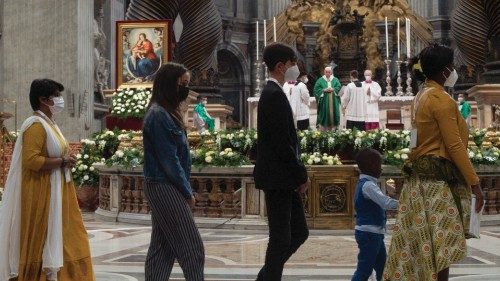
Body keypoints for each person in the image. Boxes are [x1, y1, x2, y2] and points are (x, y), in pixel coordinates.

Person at [383, 44, 485, 281]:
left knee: (424, 247)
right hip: (436, 185)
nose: (454, 70)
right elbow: (455, 145)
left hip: (419, 181)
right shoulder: (441, 99)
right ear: (445, 70)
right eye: (452, 66)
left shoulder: (421, 96)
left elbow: (414, 140)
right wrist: (475, 183)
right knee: (442, 248)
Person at [0, 79, 95, 281]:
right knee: (45, 240)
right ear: (43, 100)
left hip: (58, 190)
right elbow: (31, 160)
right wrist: (62, 161)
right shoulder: (35, 125)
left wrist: (66, 160)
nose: (59, 100)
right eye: (56, 96)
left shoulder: (49, 123)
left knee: (71, 238)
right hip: (42, 192)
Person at [142, 62, 204, 280]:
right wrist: (187, 193)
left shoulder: (167, 112)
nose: (186, 89)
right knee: (192, 248)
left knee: (162, 249)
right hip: (163, 185)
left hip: (164, 184)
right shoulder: (159, 115)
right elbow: (169, 160)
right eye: (183, 84)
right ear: (170, 85)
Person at [253, 42, 309, 280]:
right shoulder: (273, 94)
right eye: (292, 64)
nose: (295, 68)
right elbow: (281, 143)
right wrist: (300, 175)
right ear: (280, 66)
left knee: (299, 232)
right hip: (278, 176)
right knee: (280, 238)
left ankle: (265, 276)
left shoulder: (276, 92)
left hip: (282, 176)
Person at [352, 149, 398, 281]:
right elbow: (385, 202)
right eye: (379, 165)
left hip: (374, 233)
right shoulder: (368, 186)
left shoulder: (367, 183)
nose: (381, 169)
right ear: (370, 166)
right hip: (369, 234)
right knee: (364, 271)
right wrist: (404, 204)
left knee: (383, 268)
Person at [314, 66, 342, 131]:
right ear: (324, 72)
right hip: (324, 101)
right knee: (324, 113)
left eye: (329, 72)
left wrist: (333, 89)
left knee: (334, 113)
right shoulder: (320, 80)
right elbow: (316, 89)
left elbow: (339, 87)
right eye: (326, 72)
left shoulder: (335, 79)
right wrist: (324, 90)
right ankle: (324, 129)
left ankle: (334, 128)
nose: (328, 73)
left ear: (331, 72)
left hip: (334, 100)